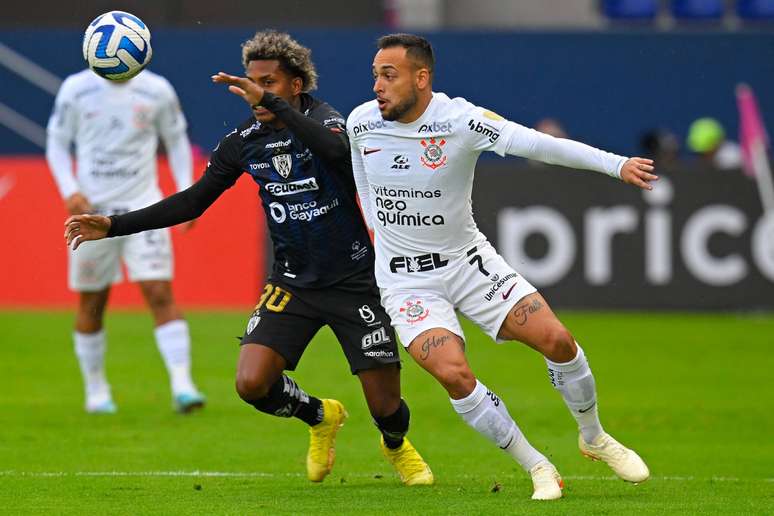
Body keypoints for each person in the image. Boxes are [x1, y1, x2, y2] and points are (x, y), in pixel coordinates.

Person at [63, 30, 433, 486]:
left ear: (296, 86)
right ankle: (320, 415)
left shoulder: (329, 121)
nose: (254, 92)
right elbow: (192, 202)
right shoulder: (244, 141)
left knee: (386, 407)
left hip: (353, 279)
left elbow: (338, 152)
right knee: (251, 384)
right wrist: (114, 224)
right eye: (251, 82)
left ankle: (395, 445)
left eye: (269, 83)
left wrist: (275, 106)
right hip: (292, 283)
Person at [346, 33, 656, 500]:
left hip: (468, 263)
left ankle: (593, 436)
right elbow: (364, 185)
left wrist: (616, 165)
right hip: (407, 281)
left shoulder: (461, 119)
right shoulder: (361, 124)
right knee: (454, 375)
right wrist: (379, 235)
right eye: (375, 75)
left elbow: (538, 145)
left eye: (389, 75)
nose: (377, 86)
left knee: (558, 341)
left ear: (422, 78)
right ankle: (537, 466)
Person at [46, 67, 205, 414]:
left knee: (159, 291)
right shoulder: (76, 88)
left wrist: (186, 195)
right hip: (91, 212)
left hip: (144, 207)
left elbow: (176, 141)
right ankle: (96, 391)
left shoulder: (158, 89)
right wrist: (69, 190)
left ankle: (183, 385)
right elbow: (56, 142)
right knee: (92, 301)